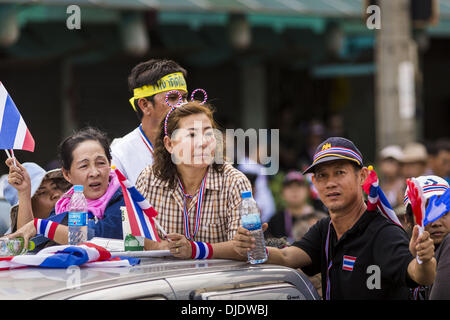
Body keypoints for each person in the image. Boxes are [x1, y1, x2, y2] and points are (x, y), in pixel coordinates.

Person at [232, 137, 436, 300]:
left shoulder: (383, 233)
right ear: (314, 182)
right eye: (322, 175)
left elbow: (419, 275)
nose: (330, 183)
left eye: (339, 172)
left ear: (362, 176)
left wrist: (424, 259)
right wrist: (252, 245)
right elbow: (287, 257)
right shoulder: (325, 229)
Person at [136, 101, 252, 259]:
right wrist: (157, 246)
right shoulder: (148, 180)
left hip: (219, 281)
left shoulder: (234, 182)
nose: (203, 142)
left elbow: (244, 249)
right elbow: (132, 238)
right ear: (169, 144)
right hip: (163, 279)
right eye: (191, 135)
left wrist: (194, 249)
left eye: (208, 134)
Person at [5, 127, 125, 250]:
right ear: (67, 175)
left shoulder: (123, 198)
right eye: (84, 166)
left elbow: (98, 236)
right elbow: (33, 244)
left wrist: (42, 226)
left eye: (100, 163)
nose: (94, 172)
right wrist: (25, 192)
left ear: (109, 164)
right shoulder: (64, 204)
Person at [110, 59, 188, 185]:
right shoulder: (120, 156)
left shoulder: (198, 146)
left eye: (184, 98)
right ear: (145, 105)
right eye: (173, 98)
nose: (183, 105)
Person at [403, 175, 449, 299]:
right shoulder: (399, 253)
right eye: (426, 214)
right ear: (407, 219)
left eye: (444, 213)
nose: (436, 223)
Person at [3, 161, 71, 234]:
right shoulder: (9, 244)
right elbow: (25, 238)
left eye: (55, 187)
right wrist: (24, 193)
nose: (55, 194)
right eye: (42, 192)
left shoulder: (75, 221)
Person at [265, 170, 327, 243]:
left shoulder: (321, 217)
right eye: (289, 187)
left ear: (307, 191)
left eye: (299, 186)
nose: (294, 190)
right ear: (282, 193)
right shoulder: (275, 221)